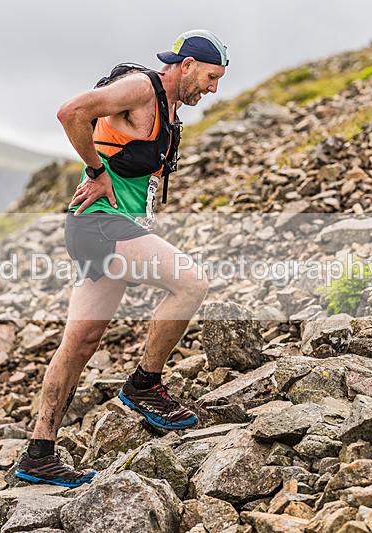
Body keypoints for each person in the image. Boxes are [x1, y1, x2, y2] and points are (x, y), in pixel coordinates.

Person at [14, 29, 228, 487]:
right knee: (191, 283)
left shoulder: (168, 110)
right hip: (100, 224)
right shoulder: (142, 88)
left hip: (107, 229)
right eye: (211, 78)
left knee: (80, 343)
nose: (213, 89)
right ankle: (145, 385)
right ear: (187, 65)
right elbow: (71, 112)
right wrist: (96, 171)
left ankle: (38, 454)